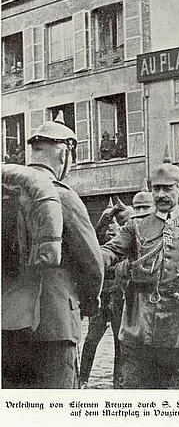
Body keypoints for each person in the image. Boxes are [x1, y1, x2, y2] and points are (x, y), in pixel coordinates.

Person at [2, 112, 104, 389]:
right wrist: (90, 302)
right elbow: (92, 263)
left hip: (7, 328)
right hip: (54, 327)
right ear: (63, 155)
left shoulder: (6, 192)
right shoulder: (61, 194)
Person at [100, 150, 179, 389]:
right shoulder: (137, 225)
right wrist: (91, 260)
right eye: (157, 189)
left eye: (168, 188)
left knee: (175, 390)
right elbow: (112, 251)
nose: (161, 194)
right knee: (136, 389)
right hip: (138, 324)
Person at [80, 200, 121, 389]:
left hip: (118, 298)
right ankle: (83, 378)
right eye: (109, 231)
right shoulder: (98, 246)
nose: (112, 234)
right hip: (101, 299)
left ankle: (118, 380)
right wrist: (107, 216)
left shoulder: (124, 244)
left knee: (119, 342)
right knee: (91, 340)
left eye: (116, 230)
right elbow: (95, 233)